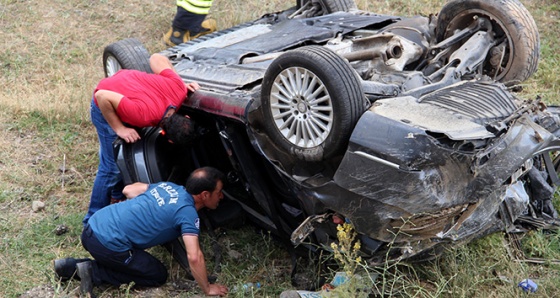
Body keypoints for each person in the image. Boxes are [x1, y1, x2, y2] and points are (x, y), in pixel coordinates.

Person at [55, 167, 229, 297]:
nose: (221, 197)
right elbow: (194, 256)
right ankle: (88, 270)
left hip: (94, 225)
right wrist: (207, 288)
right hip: (107, 244)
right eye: (219, 192)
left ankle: (73, 267)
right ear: (205, 195)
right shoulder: (187, 213)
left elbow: (128, 190)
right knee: (157, 275)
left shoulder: (168, 187)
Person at [83, 53, 200, 226]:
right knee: (111, 167)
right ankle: (91, 221)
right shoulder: (142, 116)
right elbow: (102, 96)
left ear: (187, 117)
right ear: (168, 139)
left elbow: (157, 57)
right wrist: (119, 128)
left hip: (127, 83)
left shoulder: (179, 90)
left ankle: (117, 195)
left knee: (123, 152)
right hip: (105, 101)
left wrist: (179, 84)